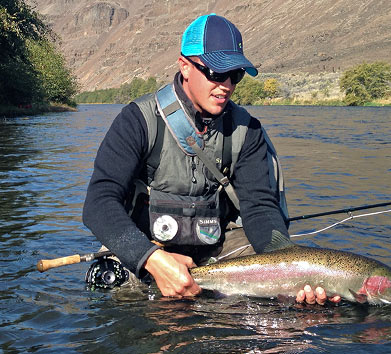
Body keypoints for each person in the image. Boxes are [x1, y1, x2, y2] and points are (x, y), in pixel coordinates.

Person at [83, 13, 340, 305]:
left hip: (217, 251)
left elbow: (260, 209)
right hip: (147, 249)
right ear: (185, 67)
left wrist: (285, 271)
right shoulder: (137, 121)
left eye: (236, 75)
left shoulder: (248, 130)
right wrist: (150, 259)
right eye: (216, 74)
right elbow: (99, 204)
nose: (226, 85)